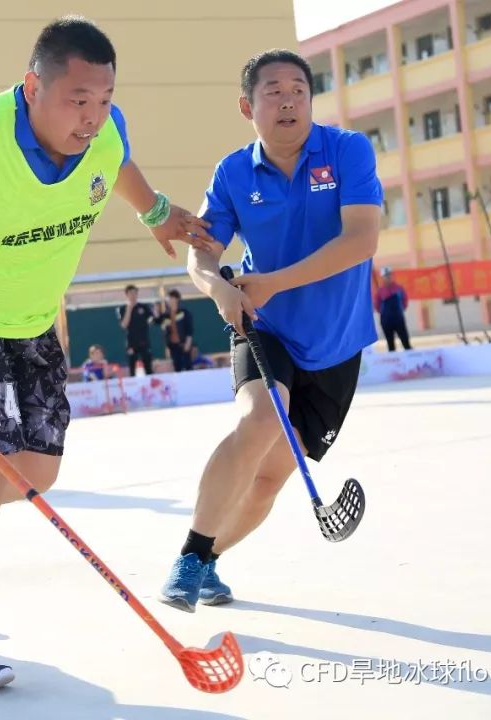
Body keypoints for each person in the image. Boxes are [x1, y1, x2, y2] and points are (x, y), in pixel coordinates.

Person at [0, 16, 211, 694]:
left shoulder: (105, 132)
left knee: (36, 473)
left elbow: (116, 165)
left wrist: (157, 212)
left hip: (31, 323)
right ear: (32, 86)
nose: (91, 116)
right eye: (76, 99)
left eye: (104, 98)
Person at [159, 49, 381, 612]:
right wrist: (219, 289)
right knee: (259, 420)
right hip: (266, 327)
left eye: (298, 90)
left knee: (271, 478)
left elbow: (361, 240)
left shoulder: (348, 151)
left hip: (337, 343)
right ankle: (189, 556)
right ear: (246, 105)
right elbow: (203, 255)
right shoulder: (233, 173)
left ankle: (207, 561)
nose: (288, 100)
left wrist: (274, 280)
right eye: (273, 91)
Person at [116, 284, 156, 374]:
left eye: (135, 293)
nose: (133, 295)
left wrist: (153, 316)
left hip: (144, 342)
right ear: (126, 295)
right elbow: (124, 325)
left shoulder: (144, 307)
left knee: (148, 368)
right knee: (132, 369)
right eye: (130, 293)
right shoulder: (122, 309)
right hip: (131, 343)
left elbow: (151, 320)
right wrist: (129, 309)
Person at [375, 266, 412, 351]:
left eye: (389, 275)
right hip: (386, 321)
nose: (388, 277)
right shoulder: (380, 291)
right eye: (386, 275)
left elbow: (405, 300)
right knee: (390, 344)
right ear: (383, 277)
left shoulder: (399, 288)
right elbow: (377, 305)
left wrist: (400, 310)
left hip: (398, 319)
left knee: (405, 341)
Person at [158, 289, 194, 372]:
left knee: (188, 367)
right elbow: (161, 327)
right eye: (168, 299)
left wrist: (188, 342)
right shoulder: (166, 315)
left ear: (177, 299)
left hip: (184, 344)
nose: (169, 301)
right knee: (177, 368)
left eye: (171, 298)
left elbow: (189, 329)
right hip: (173, 346)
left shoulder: (184, 312)